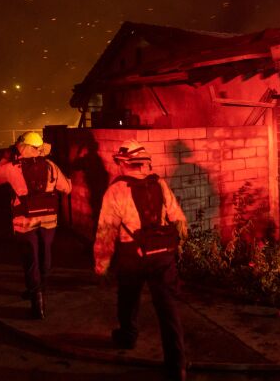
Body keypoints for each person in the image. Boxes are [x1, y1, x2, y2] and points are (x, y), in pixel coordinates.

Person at [93, 140, 188, 381]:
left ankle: (128, 336)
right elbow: (177, 217)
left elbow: (106, 232)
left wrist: (101, 265)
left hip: (132, 254)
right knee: (168, 310)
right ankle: (177, 366)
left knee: (128, 298)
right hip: (163, 254)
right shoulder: (160, 184)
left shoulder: (115, 191)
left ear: (124, 163)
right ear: (144, 162)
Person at [0, 131, 72, 319]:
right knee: (45, 252)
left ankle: (36, 300)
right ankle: (42, 287)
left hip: (24, 221)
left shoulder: (12, 167)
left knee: (31, 258)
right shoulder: (50, 166)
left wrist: (4, 159)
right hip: (49, 219)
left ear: (21, 147)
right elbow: (67, 188)